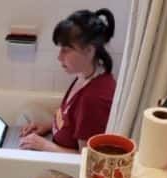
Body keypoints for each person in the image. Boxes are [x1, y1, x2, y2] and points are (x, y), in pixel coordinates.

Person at [19, 8, 117, 154]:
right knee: (27, 111)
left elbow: (85, 159)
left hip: (63, 164)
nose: (59, 57)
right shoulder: (86, 76)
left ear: (89, 51)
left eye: (66, 50)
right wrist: (48, 126)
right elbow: (68, 116)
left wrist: (44, 146)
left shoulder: (93, 99)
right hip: (56, 140)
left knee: (22, 121)